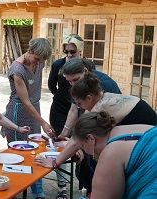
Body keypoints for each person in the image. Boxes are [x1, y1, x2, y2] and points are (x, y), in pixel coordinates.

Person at [35, 72, 157, 194]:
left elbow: (77, 139)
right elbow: (79, 134)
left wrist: (55, 162)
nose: (82, 108)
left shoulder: (101, 107)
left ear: (89, 97)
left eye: (80, 104)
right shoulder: (105, 97)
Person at [1, 37, 54, 199]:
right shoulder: (17, 70)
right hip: (19, 111)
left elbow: (33, 99)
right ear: (29, 51)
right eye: (37, 59)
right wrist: (43, 122)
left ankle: (38, 193)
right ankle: (12, 191)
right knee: (18, 153)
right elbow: (25, 102)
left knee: (36, 151)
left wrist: (41, 121)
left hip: (34, 109)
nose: (39, 63)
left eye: (42, 60)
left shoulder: (39, 61)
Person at [48, 34, 96, 198]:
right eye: (66, 51)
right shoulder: (58, 65)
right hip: (61, 110)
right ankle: (63, 187)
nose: (68, 55)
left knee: (84, 151)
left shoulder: (91, 70)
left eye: (72, 52)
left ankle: (86, 187)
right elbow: (51, 86)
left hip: (84, 111)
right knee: (64, 145)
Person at [72, 111, 157, 198]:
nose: (85, 151)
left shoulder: (110, 153)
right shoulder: (132, 129)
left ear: (91, 139)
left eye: (83, 146)